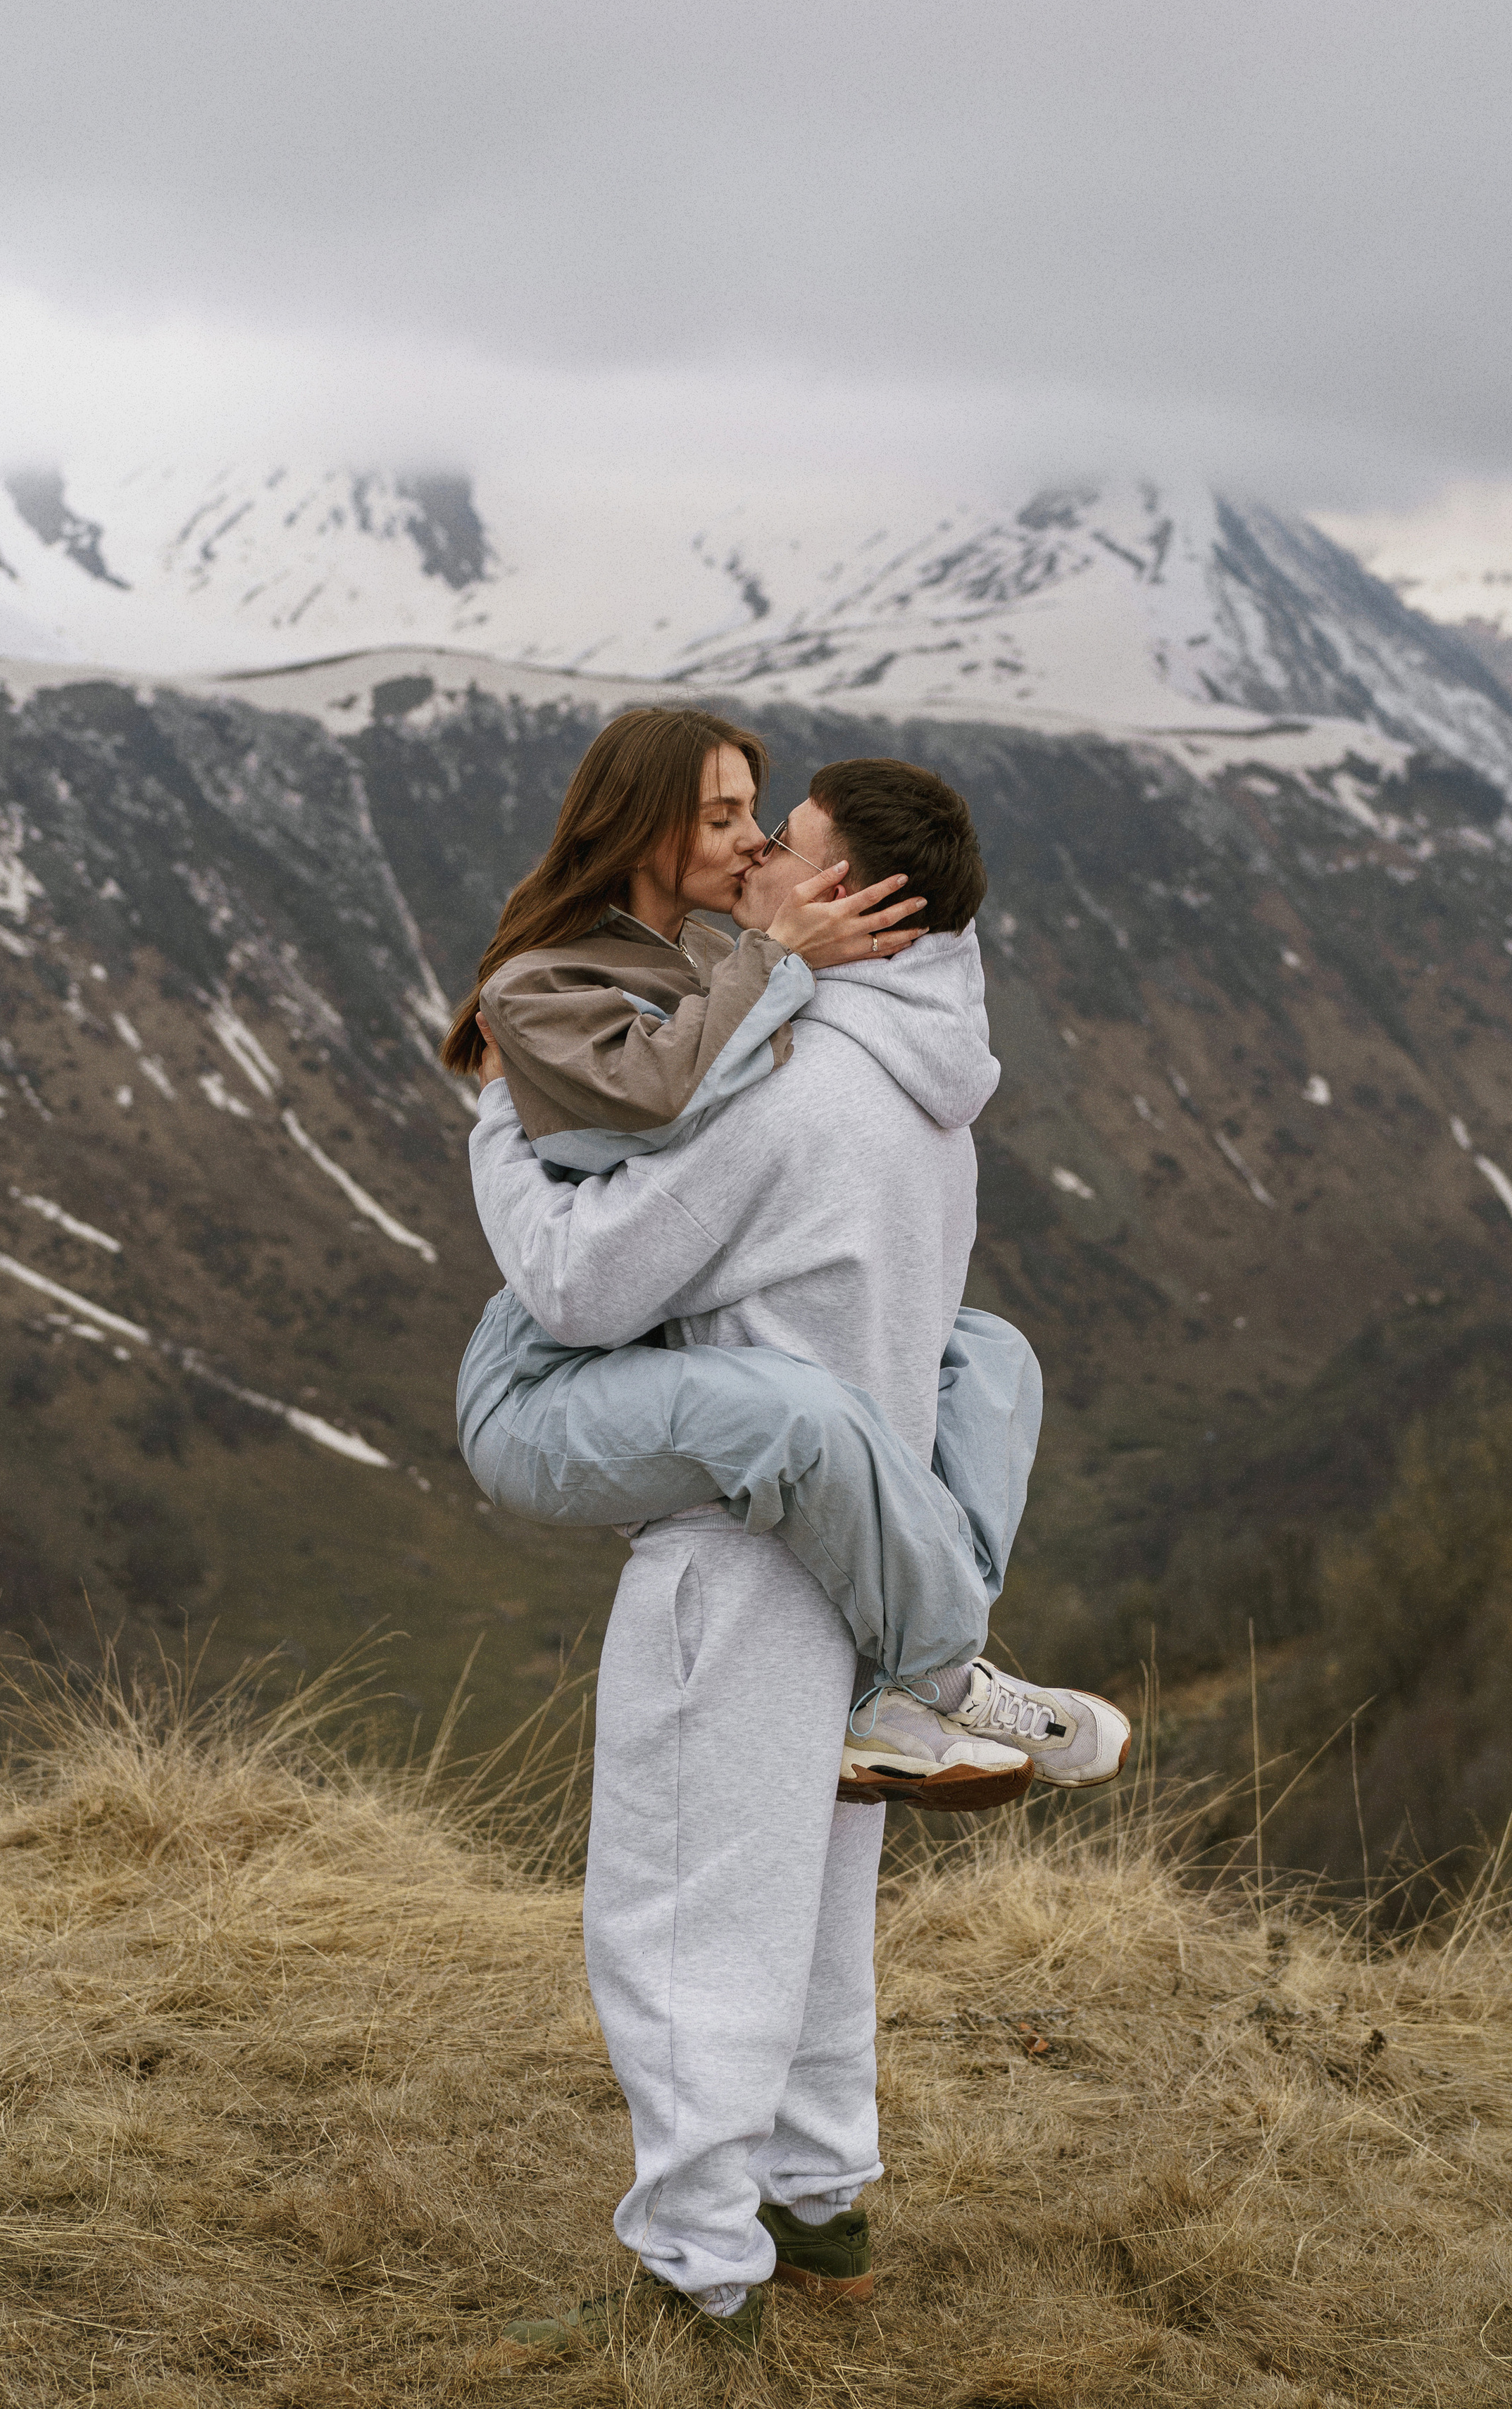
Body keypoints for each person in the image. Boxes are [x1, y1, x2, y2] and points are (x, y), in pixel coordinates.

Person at [451, 715, 1127, 2359]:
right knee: (817, 1913)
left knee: (686, 1916)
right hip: (863, 1531)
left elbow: (596, 1283)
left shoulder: (788, 1087)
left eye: (785, 837)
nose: (758, 856)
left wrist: (495, 1134)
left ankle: (694, 2281)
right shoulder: (935, 1097)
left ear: (857, 897)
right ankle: (824, 2221)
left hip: (740, 1545)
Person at [446, 707, 1128, 1795]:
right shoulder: (542, 985)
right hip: (546, 1366)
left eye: (762, 819)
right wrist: (780, 958)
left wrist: (870, 950)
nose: (756, 844)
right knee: (799, 1411)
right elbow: (661, 1113)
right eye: (723, 818)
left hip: (640, 1330)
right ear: (640, 826)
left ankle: (922, 1646)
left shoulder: (717, 955)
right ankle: (942, 1672)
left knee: (987, 1357)